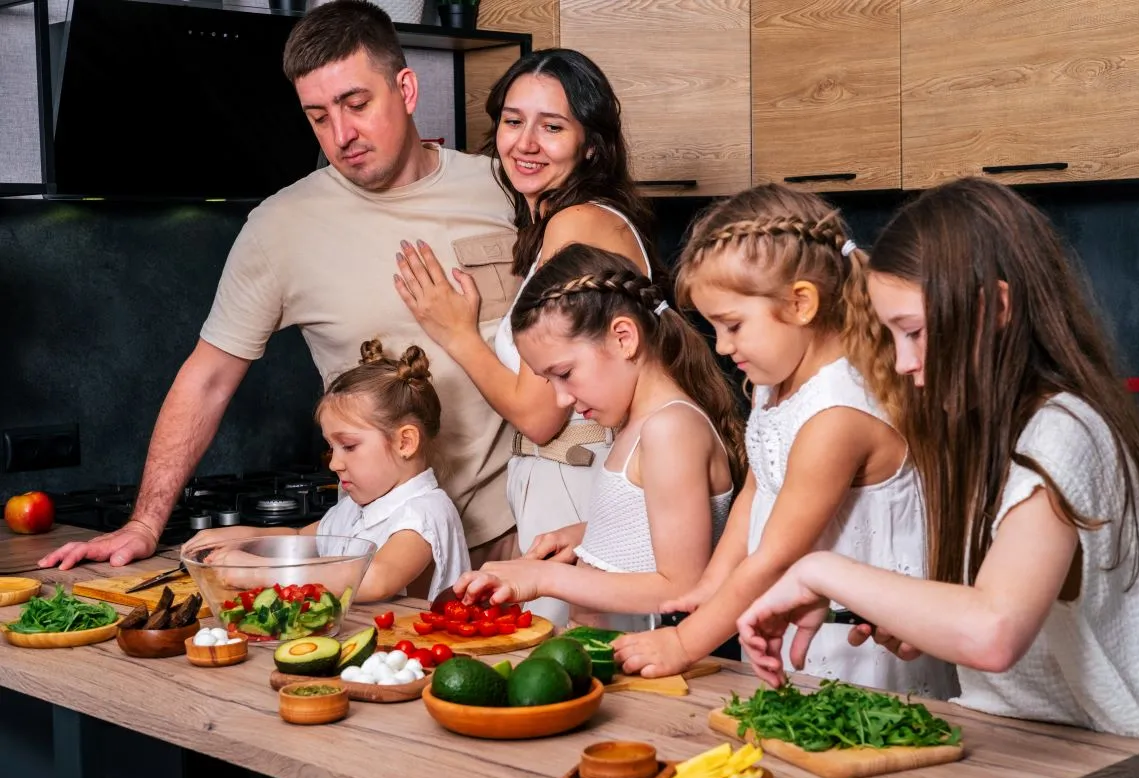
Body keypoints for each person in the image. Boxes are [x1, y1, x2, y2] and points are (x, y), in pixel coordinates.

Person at [737, 177, 1139, 778]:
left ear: (995, 309)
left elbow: (993, 631)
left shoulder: (1064, 432)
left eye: (915, 331)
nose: (901, 362)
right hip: (1035, 755)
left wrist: (823, 571)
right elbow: (998, 605)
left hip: (1111, 774)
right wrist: (903, 614)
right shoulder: (990, 428)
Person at [39, 0, 520, 572]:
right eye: (318, 116)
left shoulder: (503, 187)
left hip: (517, 531)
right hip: (376, 548)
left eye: (356, 103)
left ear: (407, 90)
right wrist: (145, 522)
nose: (341, 134)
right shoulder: (280, 226)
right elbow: (208, 379)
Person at [613, 185, 956, 700]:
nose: (724, 348)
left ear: (800, 303)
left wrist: (686, 642)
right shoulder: (777, 384)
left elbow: (776, 555)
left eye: (731, 326)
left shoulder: (837, 414)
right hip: (789, 623)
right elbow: (759, 488)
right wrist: (711, 585)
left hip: (858, 650)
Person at [391, 48, 655, 626]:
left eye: (552, 126)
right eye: (513, 121)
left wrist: (455, 331)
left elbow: (541, 414)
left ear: (591, 143)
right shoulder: (563, 225)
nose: (525, 143)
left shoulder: (577, 223)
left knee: (582, 678)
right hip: (570, 485)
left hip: (579, 480)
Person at [453, 244, 743, 631]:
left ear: (624, 337)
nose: (561, 399)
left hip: (657, 671)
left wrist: (543, 579)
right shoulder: (638, 423)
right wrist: (586, 535)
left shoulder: (670, 429)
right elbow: (654, 528)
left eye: (565, 373)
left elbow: (682, 586)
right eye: (549, 381)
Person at [184, 340, 468, 603]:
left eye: (349, 446)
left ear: (405, 442)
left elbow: (375, 578)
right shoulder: (355, 508)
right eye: (332, 448)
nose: (333, 464)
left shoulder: (426, 512)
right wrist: (246, 539)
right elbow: (298, 539)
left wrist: (260, 571)